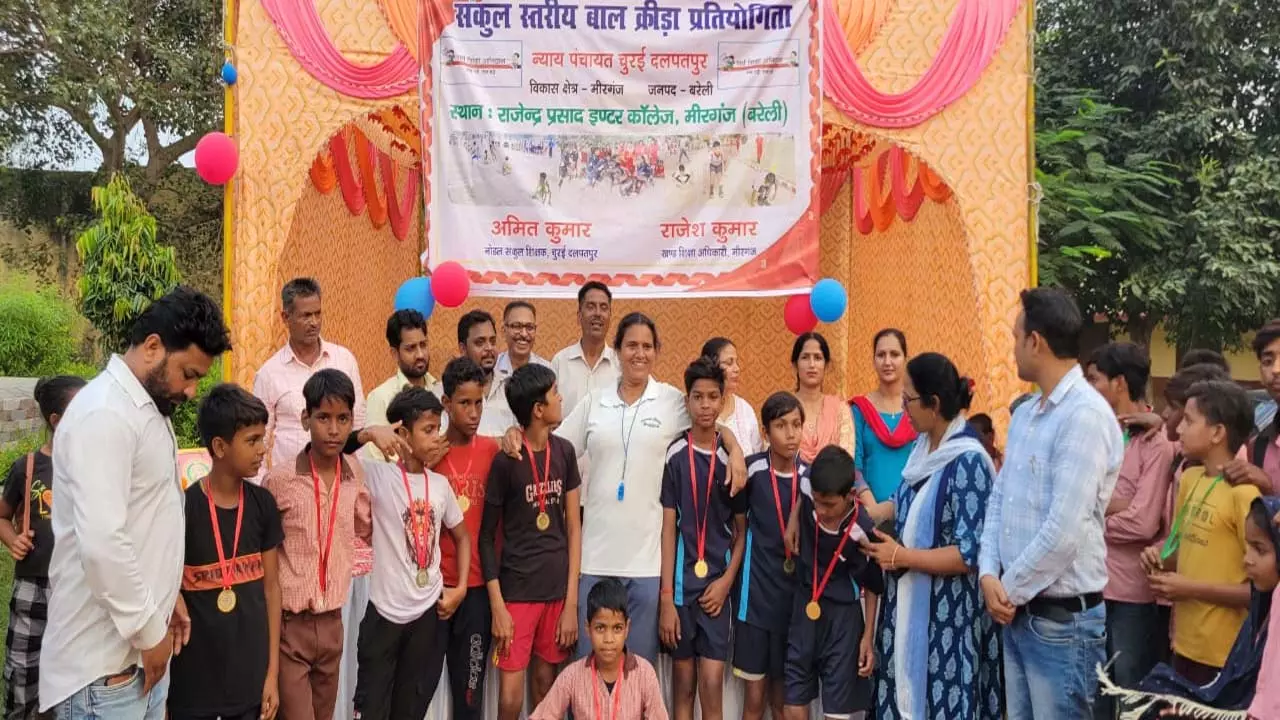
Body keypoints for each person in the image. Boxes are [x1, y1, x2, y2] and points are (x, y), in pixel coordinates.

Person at [41, 287, 231, 717]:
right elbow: (104, 543)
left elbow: (144, 521)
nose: (191, 390)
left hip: (136, 656)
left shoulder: (144, 410)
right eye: (188, 373)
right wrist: (150, 632)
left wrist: (167, 598)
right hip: (102, 671)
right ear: (152, 347)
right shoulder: (105, 414)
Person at [553, 312, 749, 664]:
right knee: (590, 671)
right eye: (631, 345)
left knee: (636, 673)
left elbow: (711, 422)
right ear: (618, 350)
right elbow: (558, 448)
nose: (639, 354)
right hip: (596, 559)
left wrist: (734, 450)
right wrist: (515, 436)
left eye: (646, 346)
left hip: (646, 565)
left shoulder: (671, 400)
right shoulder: (596, 401)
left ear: (657, 351)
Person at [977, 288, 1124, 720]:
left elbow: (1064, 531)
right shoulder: (1025, 414)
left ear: (1036, 342)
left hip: (1061, 625)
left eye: (1015, 336)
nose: (1014, 346)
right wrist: (988, 572)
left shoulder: (1085, 416)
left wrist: (1007, 590)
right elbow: (999, 501)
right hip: (1018, 614)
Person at [859, 352, 1002, 720]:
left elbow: (970, 554)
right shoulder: (923, 450)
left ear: (933, 404)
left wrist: (903, 557)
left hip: (948, 621)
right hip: (905, 608)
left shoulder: (968, 461)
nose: (903, 408)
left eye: (908, 400)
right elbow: (902, 503)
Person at [1100, 496, 1279, 719]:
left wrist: (1190, 590)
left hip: (1214, 652)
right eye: (1248, 547)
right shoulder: (1258, 618)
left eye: (1260, 550)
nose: (1247, 560)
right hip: (1188, 645)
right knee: (1157, 691)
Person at [351, 388, 469, 720]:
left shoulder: (440, 485)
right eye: (427, 430)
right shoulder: (378, 476)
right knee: (373, 707)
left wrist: (458, 587)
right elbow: (334, 452)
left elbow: (462, 537)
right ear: (403, 433)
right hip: (385, 614)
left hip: (427, 615)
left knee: (411, 709)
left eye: (438, 428)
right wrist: (371, 433)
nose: (436, 437)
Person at [262, 369, 372, 720]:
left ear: (352, 420)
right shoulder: (279, 481)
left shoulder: (355, 476)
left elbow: (362, 528)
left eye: (343, 419)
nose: (334, 429)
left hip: (332, 624)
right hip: (290, 625)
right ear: (305, 418)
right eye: (323, 417)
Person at [169, 384, 283, 720]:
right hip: (194, 689)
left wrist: (272, 675)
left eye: (262, 438)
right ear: (219, 446)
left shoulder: (263, 505)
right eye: (252, 440)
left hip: (250, 686)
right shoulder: (183, 509)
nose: (262, 450)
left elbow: (272, 589)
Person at [1082, 342, 1178, 720]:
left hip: (1131, 595)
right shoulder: (1097, 434)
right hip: (1092, 584)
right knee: (1096, 695)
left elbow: (1143, 521)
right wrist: (1113, 507)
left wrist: (1091, 515)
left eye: (1095, 380)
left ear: (1119, 383)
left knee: (1132, 694)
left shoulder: (1157, 441)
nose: (1089, 389)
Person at [1139, 381, 1259, 684]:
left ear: (1218, 433)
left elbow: (1258, 591)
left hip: (1225, 654)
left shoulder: (1244, 495)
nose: (1178, 428)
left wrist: (1189, 589)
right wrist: (1160, 557)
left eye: (1189, 421)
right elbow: (1186, 551)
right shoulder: (1191, 478)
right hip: (1184, 645)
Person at [482, 364, 582, 719]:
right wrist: (498, 606)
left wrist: (571, 603)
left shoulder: (566, 452)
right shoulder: (505, 462)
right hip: (517, 593)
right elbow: (484, 539)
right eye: (555, 393)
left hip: (556, 591)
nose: (561, 398)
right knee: (510, 698)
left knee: (546, 688)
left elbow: (573, 529)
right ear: (538, 409)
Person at [659, 359, 747, 720]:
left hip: (716, 589)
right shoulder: (675, 455)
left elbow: (743, 532)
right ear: (687, 401)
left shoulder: (732, 461)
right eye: (699, 397)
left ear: (723, 400)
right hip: (681, 589)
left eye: (714, 396)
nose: (706, 405)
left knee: (712, 683)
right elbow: (667, 530)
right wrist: (666, 598)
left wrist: (727, 582)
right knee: (683, 684)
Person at [0, 376, 85, 720]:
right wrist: (12, 538)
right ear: (56, 420)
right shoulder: (29, 467)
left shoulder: (93, 467)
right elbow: (3, 516)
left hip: (77, 587)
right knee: (23, 667)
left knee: (71, 672)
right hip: (33, 587)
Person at [783, 445, 883, 720]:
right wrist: (793, 520)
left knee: (837, 713)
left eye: (829, 504)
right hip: (805, 605)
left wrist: (867, 638)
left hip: (843, 621)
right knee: (792, 703)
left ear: (851, 495)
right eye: (817, 501)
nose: (821, 510)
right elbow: (803, 497)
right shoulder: (807, 483)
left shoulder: (862, 531)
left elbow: (874, 586)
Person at [733, 392, 807, 720]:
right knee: (754, 699)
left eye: (796, 425)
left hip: (793, 605)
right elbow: (736, 531)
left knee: (782, 701)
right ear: (765, 432)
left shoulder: (812, 479)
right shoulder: (751, 472)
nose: (791, 434)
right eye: (781, 426)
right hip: (755, 602)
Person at [435, 358, 501, 720]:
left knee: (469, 695)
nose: (473, 412)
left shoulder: (493, 451)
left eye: (479, 403)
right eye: (464, 403)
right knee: (420, 688)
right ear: (446, 403)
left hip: (476, 590)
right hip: (433, 589)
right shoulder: (430, 455)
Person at [254, 277, 365, 473]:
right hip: (290, 485)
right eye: (305, 316)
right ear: (285, 317)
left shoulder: (344, 360)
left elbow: (359, 424)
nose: (314, 322)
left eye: (317, 314)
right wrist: (264, 492)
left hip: (340, 483)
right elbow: (259, 438)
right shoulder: (269, 374)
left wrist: (357, 477)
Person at [528, 578, 669, 720]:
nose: (608, 639)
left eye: (617, 628)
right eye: (600, 628)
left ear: (627, 629)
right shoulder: (572, 676)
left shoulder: (644, 674)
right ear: (588, 628)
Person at [850, 329, 916, 505]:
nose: (887, 362)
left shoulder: (917, 407)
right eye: (881, 355)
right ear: (873, 361)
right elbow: (854, 466)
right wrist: (874, 510)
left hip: (913, 510)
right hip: (869, 513)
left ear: (905, 359)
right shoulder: (860, 409)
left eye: (894, 354)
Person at [364, 309, 435, 460]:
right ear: (394, 353)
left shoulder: (440, 391)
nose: (420, 355)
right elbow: (376, 461)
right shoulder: (381, 398)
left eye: (423, 345)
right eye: (411, 348)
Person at [551, 282, 618, 420]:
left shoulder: (620, 363)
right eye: (591, 307)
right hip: (566, 441)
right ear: (579, 316)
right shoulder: (560, 362)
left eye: (604, 308)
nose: (598, 313)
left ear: (610, 316)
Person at [790, 332, 854, 465]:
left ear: (826, 365)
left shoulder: (840, 410)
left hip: (833, 482)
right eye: (805, 357)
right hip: (787, 483)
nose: (812, 364)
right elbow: (774, 454)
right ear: (795, 365)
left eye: (818, 358)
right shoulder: (782, 407)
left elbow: (846, 459)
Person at [700, 337, 763, 453]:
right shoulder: (697, 408)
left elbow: (756, 455)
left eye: (736, 362)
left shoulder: (745, 409)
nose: (737, 369)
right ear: (710, 366)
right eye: (729, 363)